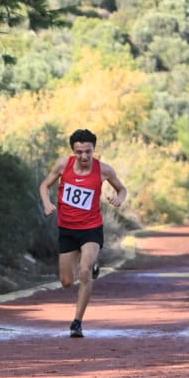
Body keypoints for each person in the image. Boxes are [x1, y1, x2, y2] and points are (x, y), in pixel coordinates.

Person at [38, 129, 128, 337]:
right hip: (67, 230)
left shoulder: (104, 170)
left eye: (88, 152)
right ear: (73, 151)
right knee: (67, 282)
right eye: (79, 152)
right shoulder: (63, 165)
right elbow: (44, 185)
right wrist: (46, 203)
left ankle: (77, 322)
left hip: (91, 229)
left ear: (94, 149)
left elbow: (121, 189)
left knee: (85, 272)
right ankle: (91, 264)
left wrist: (119, 199)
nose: (84, 157)